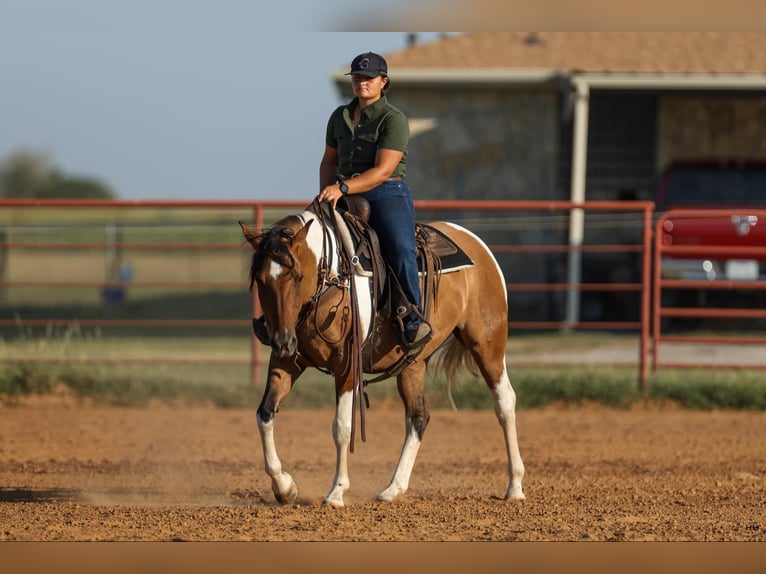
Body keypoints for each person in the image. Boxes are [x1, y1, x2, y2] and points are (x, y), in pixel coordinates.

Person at [317, 51, 431, 349]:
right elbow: (329, 160)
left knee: (400, 247)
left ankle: (412, 318)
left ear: (383, 82)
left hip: (386, 192)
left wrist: (342, 190)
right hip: (341, 192)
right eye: (357, 77)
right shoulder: (339, 117)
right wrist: (326, 192)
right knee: (303, 239)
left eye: (368, 78)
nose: (362, 83)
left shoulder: (393, 119)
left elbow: (382, 171)